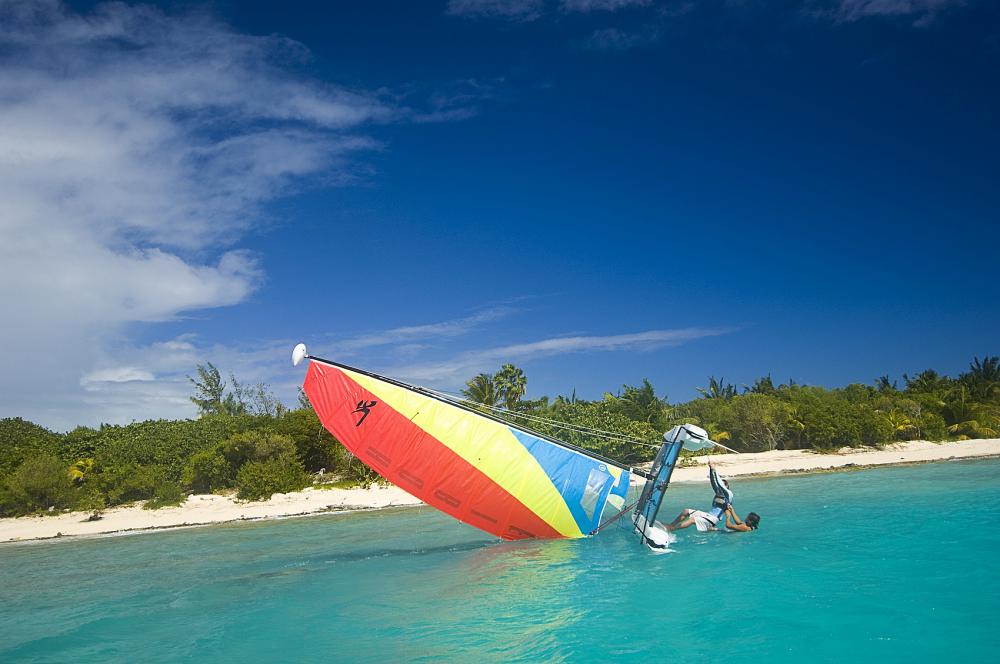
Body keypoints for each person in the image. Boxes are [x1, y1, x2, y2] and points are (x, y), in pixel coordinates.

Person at [667, 461, 758, 532]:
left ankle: (672, 529)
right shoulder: (718, 493)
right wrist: (711, 470)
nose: (720, 486)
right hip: (708, 515)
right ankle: (671, 525)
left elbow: (720, 484)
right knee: (686, 511)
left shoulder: (728, 495)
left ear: (726, 487)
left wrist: (715, 470)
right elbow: (713, 482)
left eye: (724, 485)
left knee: (692, 520)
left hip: (713, 519)